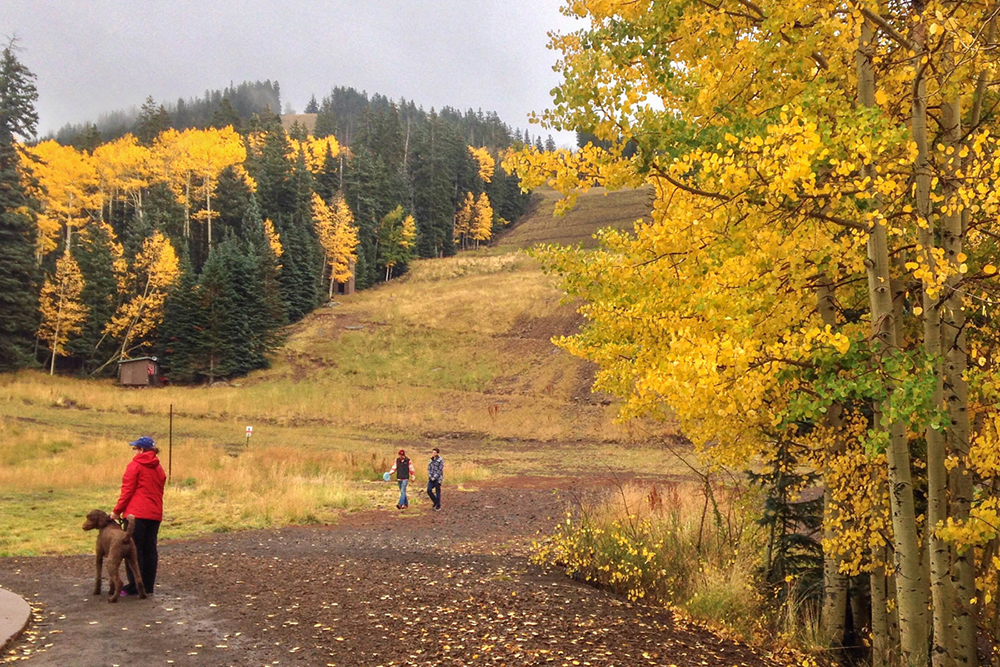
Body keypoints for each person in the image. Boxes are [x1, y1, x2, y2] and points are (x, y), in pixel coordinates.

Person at [110, 436, 166, 596]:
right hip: (155, 514)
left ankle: (135, 586)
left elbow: (127, 490)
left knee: (133, 550)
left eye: (135, 448)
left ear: (141, 450)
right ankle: (148, 586)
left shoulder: (135, 466)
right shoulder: (158, 467)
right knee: (150, 550)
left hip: (136, 514)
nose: (133, 451)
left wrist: (116, 511)